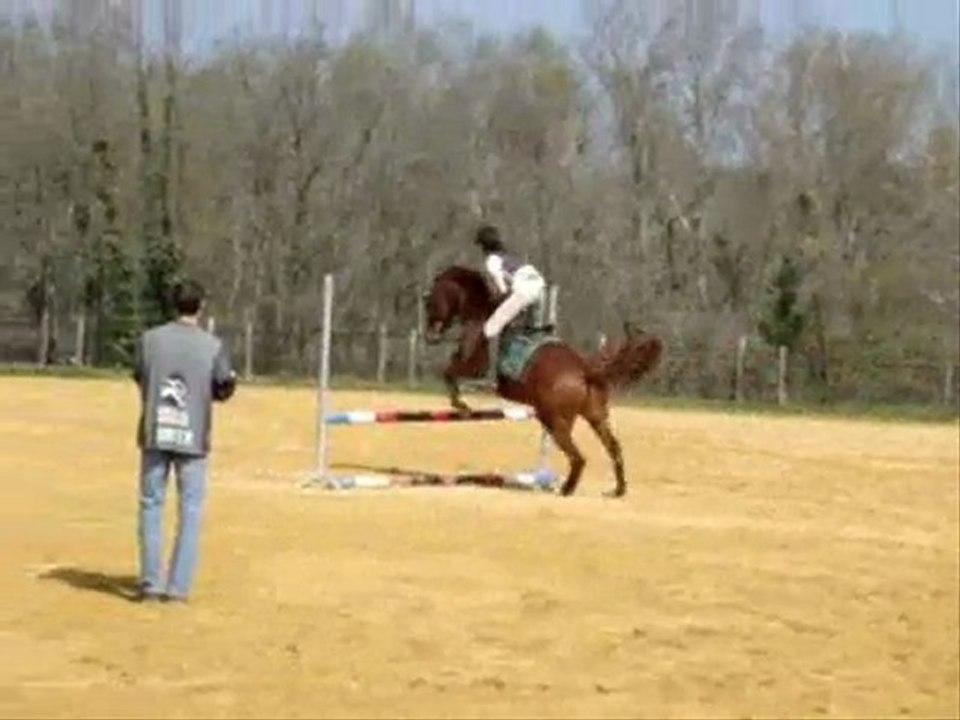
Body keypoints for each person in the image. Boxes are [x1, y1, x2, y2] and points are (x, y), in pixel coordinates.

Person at [132, 279, 236, 604]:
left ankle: (151, 583)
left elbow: (140, 375)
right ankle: (178, 588)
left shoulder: (150, 340)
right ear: (200, 306)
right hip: (193, 435)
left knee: (151, 505)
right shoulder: (212, 345)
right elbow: (224, 386)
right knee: (190, 510)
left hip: (156, 431)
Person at [474, 224, 548, 340]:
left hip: (524, 290)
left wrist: (494, 301)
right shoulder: (510, 257)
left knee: (489, 329)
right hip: (540, 287)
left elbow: (503, 290)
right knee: (532, 332)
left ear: (483, 246)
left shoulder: (492, 260)